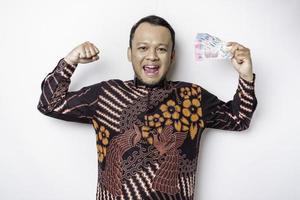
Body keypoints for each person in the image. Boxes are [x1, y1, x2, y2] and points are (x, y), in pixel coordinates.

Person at [37, 15, 257, 200]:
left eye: (161, 49)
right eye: (143, 48)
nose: (152, 56)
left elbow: (239, 119)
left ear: (172, 57)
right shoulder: (105, 95)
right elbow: (49, 104)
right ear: (130, 53)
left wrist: (246, 76)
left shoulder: (193, 97)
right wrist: (69, 61)